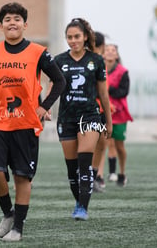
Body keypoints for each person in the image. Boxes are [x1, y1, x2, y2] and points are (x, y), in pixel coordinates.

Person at [0, 2, 66, 242]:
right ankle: (8, 213)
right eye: (8, 19)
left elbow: (59, 81)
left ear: (25, 24)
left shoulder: (38, 52)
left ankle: (18, 229)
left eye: (17, 19)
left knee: (22, 177)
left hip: (26, 123)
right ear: (1, 25)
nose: (12, 22)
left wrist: (44, 107)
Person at [52, 18, 112, 221]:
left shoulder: (96, 60)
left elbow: (104, 95)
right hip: (66, 118)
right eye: (69, 37)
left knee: (84, 161)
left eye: (77, 36)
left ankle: (83, 208)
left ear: (85, 37)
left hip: (90, 116)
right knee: (72, 169)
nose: (73, 41)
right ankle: (79, 201)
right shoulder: (59, 61)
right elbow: (53, 89)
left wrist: (109, 121)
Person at [104, 43, 133, 186]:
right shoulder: (99, 70)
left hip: (119, 113)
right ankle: (111, 173)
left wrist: (108, 90)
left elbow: (124, 91)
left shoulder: (123, 71)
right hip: (103, 111)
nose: (109, 52)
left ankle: (122, 172)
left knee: (119, 145)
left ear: (116, 54)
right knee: (108, 143)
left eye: (112, 50)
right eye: (107, 50)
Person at [91, 31, 109, 192]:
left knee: (102, 144)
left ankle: (93, 176)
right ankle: (87, 177)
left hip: (102, 110)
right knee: (88, 145)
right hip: (89, 109)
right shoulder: (89, 61)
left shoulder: (100, 61)